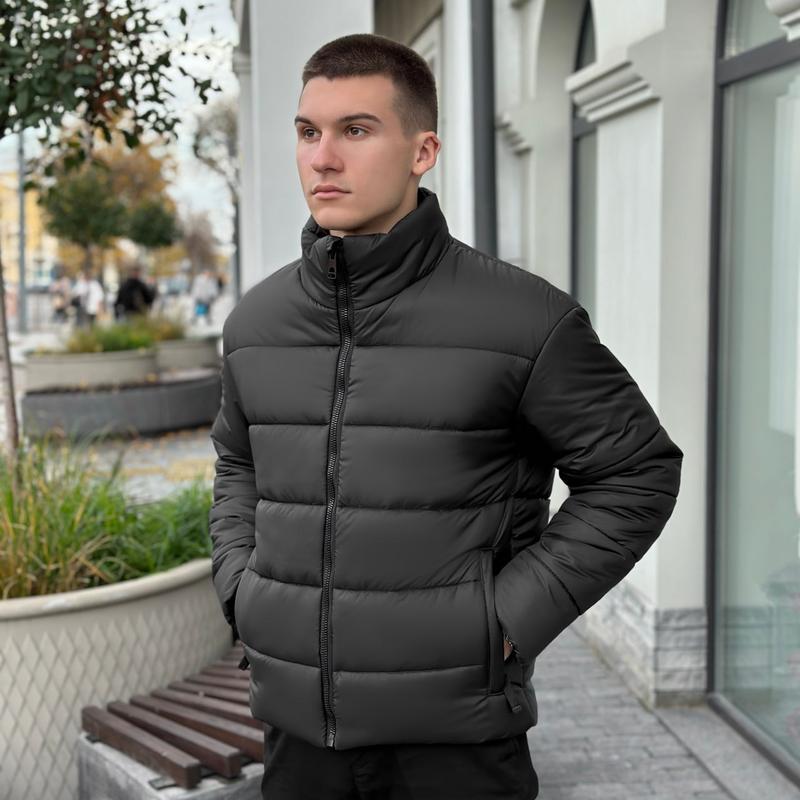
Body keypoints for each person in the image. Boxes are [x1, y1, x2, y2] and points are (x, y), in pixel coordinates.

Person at [208, 33, 684, 800]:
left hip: (456, 747)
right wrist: (243, 590)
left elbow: (637, 473)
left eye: (355, 130)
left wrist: (504, 621)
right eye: (307, 131)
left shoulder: (525, 320)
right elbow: (238, 464)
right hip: (299, 740)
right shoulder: (256, 324)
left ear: (422, 150)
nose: (323, 158)